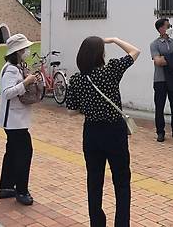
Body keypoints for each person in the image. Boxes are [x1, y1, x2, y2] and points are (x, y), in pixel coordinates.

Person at [66, 36, 141, 227]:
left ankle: (97, 223)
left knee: (94, 180)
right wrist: (115, 40)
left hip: (91, 133)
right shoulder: (111, 70)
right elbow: (135, 52)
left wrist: (89, 107)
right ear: (100, 54)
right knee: (122, 181)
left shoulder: (77, 79)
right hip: (114, 132)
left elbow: (70, 111)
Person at [0, 33, 39, 205]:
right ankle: (22, 190)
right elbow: (7, 93)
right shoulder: (11, 69)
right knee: (24, 153)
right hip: (13, 121)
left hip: (15, 120)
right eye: (24, 49)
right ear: (18, 51)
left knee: (13, 152)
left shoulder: (14, 67)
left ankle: (6, 187)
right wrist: (26, 83)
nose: (27, 51)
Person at [150, 18, 173, 142]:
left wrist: (166, 57)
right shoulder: (154, 44)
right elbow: (158, 61)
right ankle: (160, 131)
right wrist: (172, 58)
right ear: (161, 28)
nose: (170, 27)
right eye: (168, 25)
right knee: (159, 106)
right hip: (160, 80)